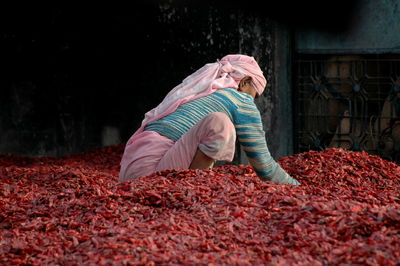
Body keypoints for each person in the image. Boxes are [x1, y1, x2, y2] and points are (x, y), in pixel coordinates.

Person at [119, 54, 300, 185]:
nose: (253, 101)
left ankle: (193, 185)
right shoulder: (240, 100)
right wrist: (297, 187)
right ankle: (196, 188)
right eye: (254, 94)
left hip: (129, 170)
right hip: (152, 174)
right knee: (220, 123)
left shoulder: (201, 93)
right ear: (244, 82)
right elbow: (264, 166)